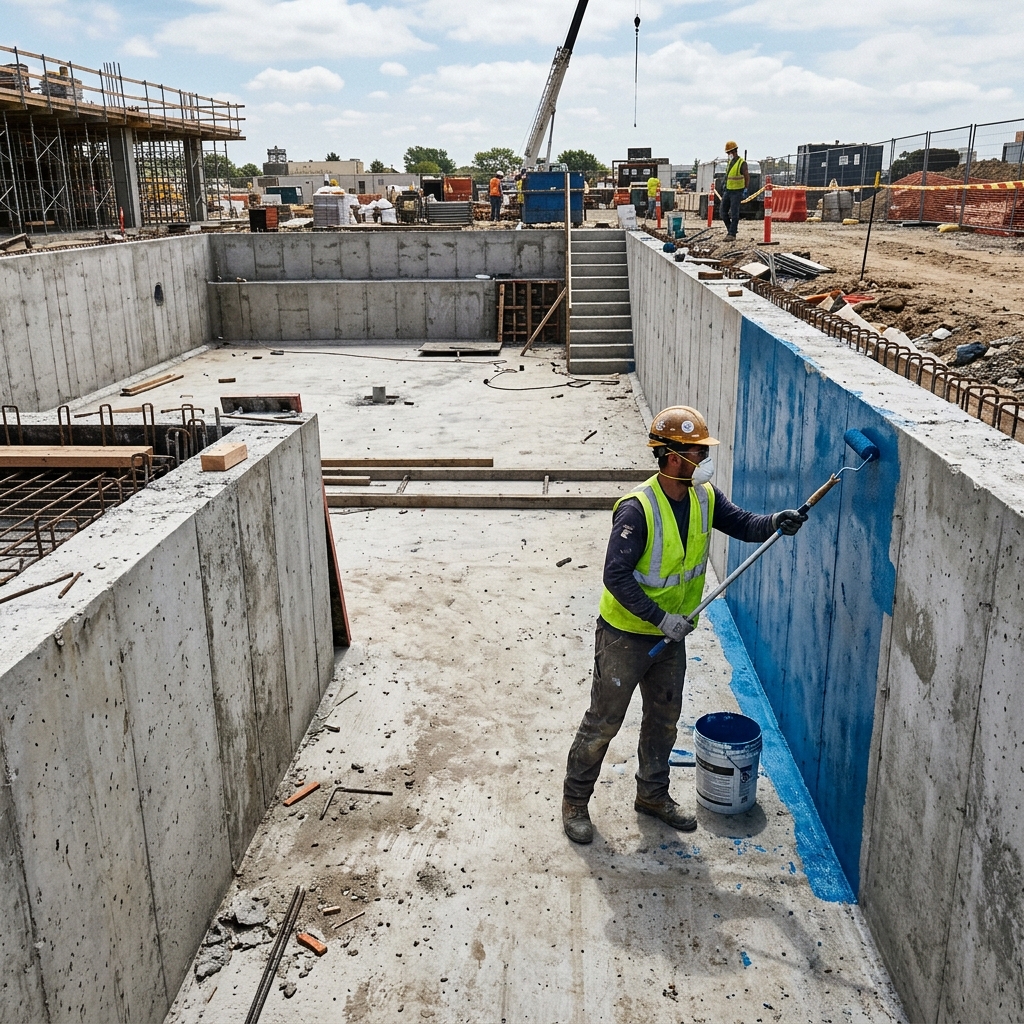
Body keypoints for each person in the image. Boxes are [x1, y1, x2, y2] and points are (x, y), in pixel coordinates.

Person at [561, 406, 808, 843]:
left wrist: (776, 522)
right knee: (603, 721)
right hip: (626, 636)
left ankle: (652, 795)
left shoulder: (703, 497)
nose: (705, 458)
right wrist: (660, 619)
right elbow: (615, 576)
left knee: (663, 719)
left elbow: (744, 524)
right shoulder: (638, 510)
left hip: (672, 637)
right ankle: (576, 801)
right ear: (675, 457)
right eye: (699, 451)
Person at [720, 142, 748, 241]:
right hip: (728, 191)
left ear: (733, 151)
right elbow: (728, 176)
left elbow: (746, 176)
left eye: (729, 152)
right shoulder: (730, 163)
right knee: (723, 212)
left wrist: (745, 189)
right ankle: (731, 230)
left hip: (737, 192)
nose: (728, 155)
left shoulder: (742, 163)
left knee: (734, 213)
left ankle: (732, 234)